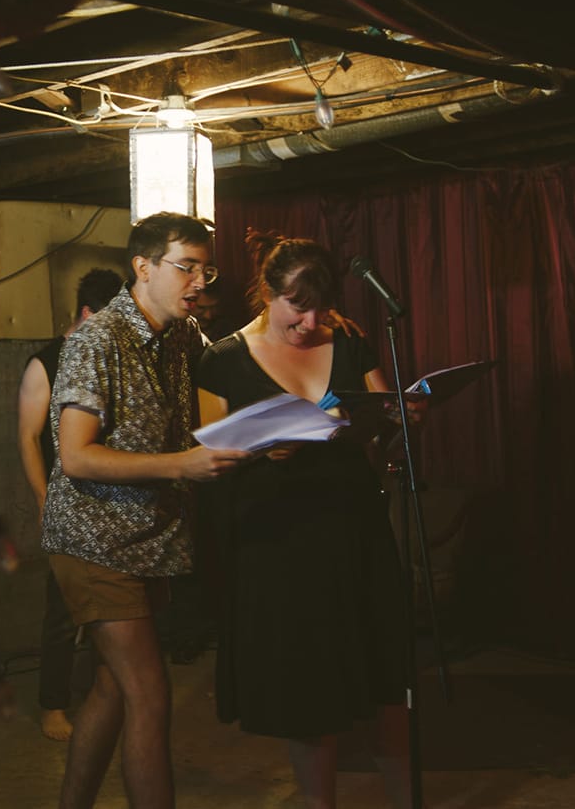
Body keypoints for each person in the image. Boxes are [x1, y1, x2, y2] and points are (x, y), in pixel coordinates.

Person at [42, 212, 249, 809]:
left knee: (113, 687)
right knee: (150, 693)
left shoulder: (183, 335)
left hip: (148, 538)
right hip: (94, 540)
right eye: (186, 267)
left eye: (206, 270)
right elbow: (77, 457)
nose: (199, 283)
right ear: (143, 266)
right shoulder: (97, 340)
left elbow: (233, 373)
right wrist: (180, 465)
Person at [195, 231, 408, 809]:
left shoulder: (351, 342)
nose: (311, 320)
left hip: (354, 527)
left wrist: (399, 415)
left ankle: (406, 799)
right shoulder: (221, 360)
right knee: (309, 688)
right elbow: (208, 458)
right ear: (267, 292)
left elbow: (380, 417)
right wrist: (261, 449)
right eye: (297, 305)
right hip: (280, 540)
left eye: (320, 306)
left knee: (386, 675)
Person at [17, 267, 124, 741]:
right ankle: (52, 707)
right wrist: (44, 498)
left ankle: (108, 696)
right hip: (66, 505)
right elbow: (27, 435)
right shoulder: (46, 362)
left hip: (110, 503)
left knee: (113, 612)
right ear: (87, 313)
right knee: (62, 614)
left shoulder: (109, 356)